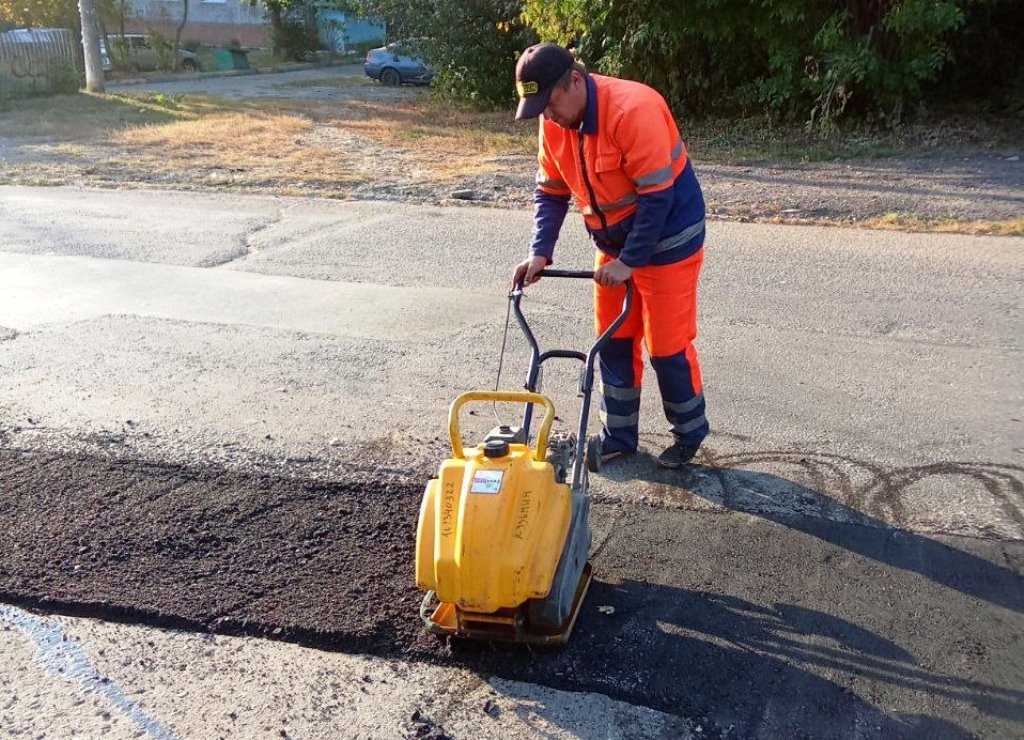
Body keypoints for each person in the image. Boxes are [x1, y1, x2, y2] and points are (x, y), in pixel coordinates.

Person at [510, 43, 708, 469]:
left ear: (576, 81)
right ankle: (618, 435)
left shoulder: (633, 109)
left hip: (670, 237)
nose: (548, 116)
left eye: (551, 103)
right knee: (613, 340)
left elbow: (657, 199)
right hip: (615, 246)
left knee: (667, 347)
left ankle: (689, 433)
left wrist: (630, 263)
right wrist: (540, 253)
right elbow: (551, 192)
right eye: (539, 108)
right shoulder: (554, 124)